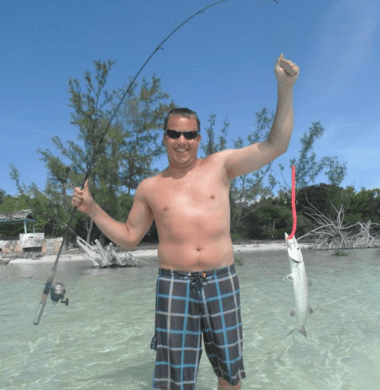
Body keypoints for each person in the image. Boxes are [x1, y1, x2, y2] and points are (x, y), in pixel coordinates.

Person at [72, 54, 299, 390]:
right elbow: (130, 237)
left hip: (222, 280)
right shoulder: (149, 187)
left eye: (189, 135)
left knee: (230, 374)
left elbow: (275, 145)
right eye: (174, 134)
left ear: (199, 138)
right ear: (164, 137)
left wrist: (285, 86)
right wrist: (93, 210)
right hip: (173, 284)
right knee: (174, 381)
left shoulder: (221, 166)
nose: (182, 141)